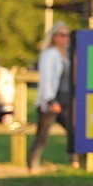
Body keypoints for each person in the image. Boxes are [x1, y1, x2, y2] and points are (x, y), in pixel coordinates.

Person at [28, 22, 78, 171]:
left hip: (66, 100)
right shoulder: (49, 55)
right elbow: (47, 79)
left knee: (73, 130)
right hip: (51, 101)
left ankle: (74, 163)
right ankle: (32, 165)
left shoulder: (68, 55)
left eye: (67, 35)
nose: (65, 38)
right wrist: (50, 100)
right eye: (62, 35)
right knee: (42, 136)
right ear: (54, 37)